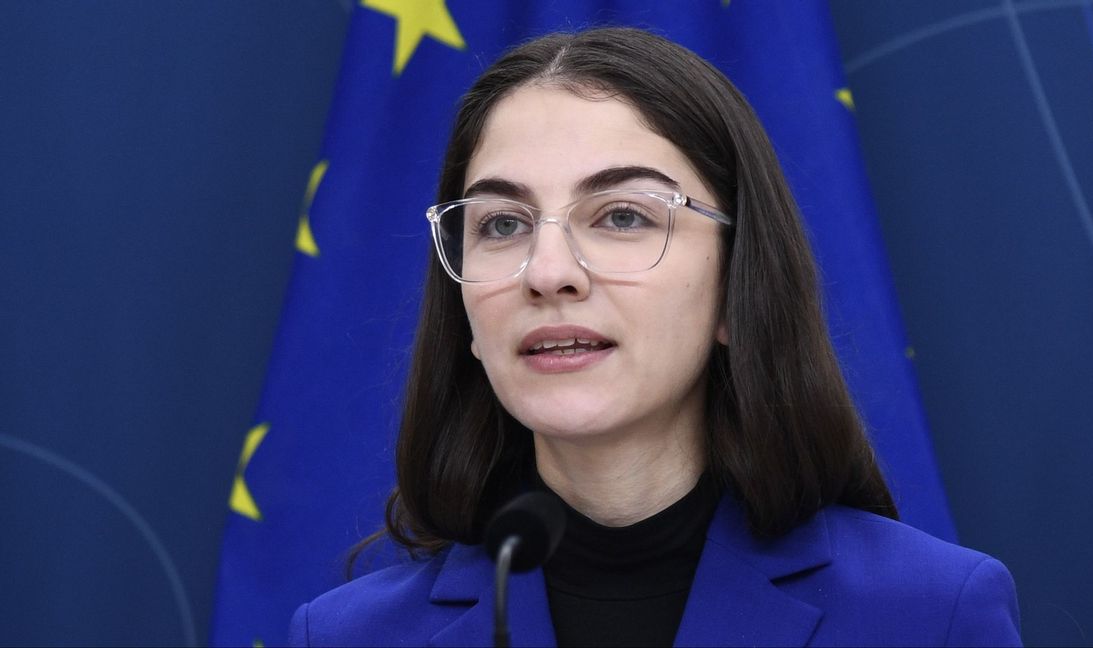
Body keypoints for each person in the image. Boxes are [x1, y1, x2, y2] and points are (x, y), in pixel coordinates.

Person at [288, 27, 1021, 647]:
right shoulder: (348, 634)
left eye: (622, 216)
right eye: (502, 225)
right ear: (466, 319)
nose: (546, 274)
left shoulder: (930, 614)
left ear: (738, 288)